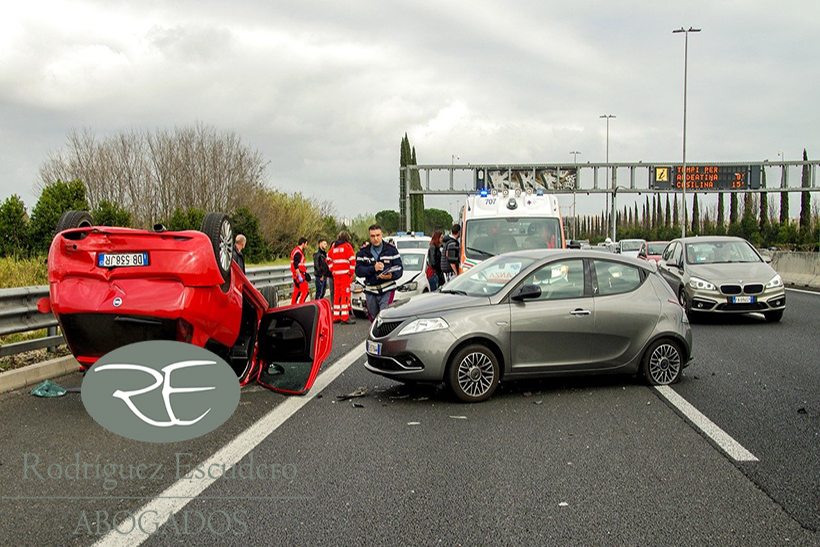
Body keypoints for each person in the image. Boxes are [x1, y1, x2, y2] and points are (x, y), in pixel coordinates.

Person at [355, 224, 403, 322]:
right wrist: (373, 268)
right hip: (370, 290)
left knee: (384, 316)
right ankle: (374, 335)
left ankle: (385, 336)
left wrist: (391, 276)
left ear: (382, 235)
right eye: (373, 236)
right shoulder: (363, 252)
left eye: (378, 235)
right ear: (369, 237)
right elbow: (358, 271)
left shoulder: (391, 250)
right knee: (373, 318)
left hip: (387, 289)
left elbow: (400, 269)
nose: (375, 238)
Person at [328, 231, 357, 324]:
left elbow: (328, 259)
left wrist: (333, 270)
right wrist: (351, 272)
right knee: (345, 296)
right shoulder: (347, 247)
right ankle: (345, 318)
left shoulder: (334, 247)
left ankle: (336, 316)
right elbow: (352, 260)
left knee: (337, 296)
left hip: (336, 275)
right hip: (345, 275)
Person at [290, 237, 310, 305]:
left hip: (296, 275)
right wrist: (299, 276)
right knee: (305, 291)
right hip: (299, 275)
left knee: (297, 291)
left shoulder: (295, 250)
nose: (306, 246)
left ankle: (293, 305)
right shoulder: (298, 252)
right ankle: (301, 305)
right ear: (303, 244)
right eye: (306, 244)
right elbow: (296, 265)